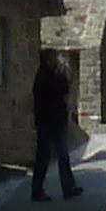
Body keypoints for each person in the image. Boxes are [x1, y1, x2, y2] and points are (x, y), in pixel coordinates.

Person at [27, 50, 80, 201]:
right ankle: (38, 190)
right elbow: (60, 92)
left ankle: (68, 187)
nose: (56, 60)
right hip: (47, 122)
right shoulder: (44, 77)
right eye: (53, 58)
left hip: (56, 122)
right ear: (47, 60)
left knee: (61, 156)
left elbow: (65, 90)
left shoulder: (53, 75)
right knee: (44, 157)